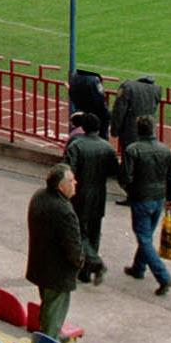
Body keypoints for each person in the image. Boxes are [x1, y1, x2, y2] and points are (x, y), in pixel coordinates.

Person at [25, 163, 86, 334]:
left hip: (40, 264)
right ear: (61, 185)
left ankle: (51, 339)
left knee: (48, 306)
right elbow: (73, 245)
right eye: (72, 181)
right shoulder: (64, 211)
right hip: (57, 272)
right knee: (54, 311)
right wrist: (80, 262)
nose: (76, 183)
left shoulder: (39, 196)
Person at [121, 117, 171, 296]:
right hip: (159, 197)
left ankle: (163, 277)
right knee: (146, 236)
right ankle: (138, 267)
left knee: (144, 238)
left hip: (141, 198)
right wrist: (170, 197)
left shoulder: (133, 150)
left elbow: (125, 177)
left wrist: (131, 191)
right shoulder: (165, 150)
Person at [63, 112, 116, 283]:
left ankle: (93, 263)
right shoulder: (107, 147)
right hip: (99, 194)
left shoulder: (76, 145)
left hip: (80, 193)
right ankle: (86, 271)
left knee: (80, 231)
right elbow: (115, 171)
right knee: (94, 230)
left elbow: (68, 170)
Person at [113, 73, 161, 153]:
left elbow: (119, 111)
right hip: (149, 132)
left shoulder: (127, 86)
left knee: (130, 156)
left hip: (130, 131)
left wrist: (115, 130)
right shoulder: (157, 90)